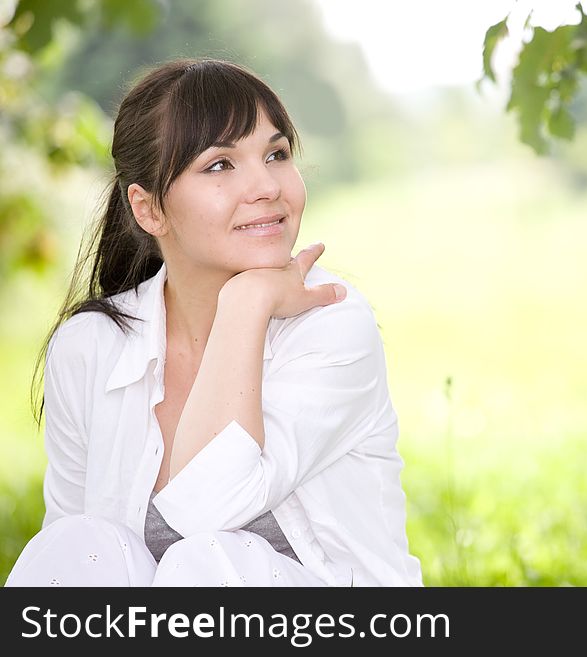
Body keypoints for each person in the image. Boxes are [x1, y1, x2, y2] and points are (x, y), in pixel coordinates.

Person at [4, 58, 423, 587]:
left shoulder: (332, 322)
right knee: (78, 542)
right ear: (149, 209)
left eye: (276, 154)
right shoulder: (89, 347)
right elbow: (70, 568)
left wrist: (245, 306)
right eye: (220, 165)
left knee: (207, 563)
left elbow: (205, 512)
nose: (267, 185)